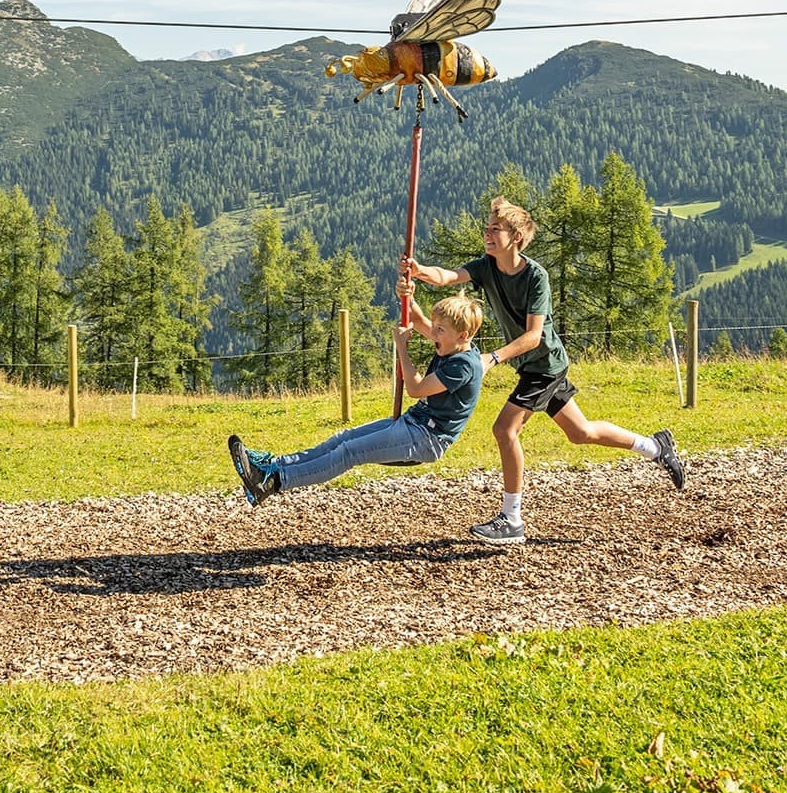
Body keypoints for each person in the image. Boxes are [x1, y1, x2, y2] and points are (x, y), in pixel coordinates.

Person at [401, 195, 686, 545]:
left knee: (504, 430)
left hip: (543, 366)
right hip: (533, 369)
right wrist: (418, 271)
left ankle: (512, 519)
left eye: (496, 230)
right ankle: (656, 447)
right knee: (580, 432)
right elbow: (446, 277)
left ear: (516, 237)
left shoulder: (536, 277)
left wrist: (493, 358)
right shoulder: (486, 266)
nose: (488, 234)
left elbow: (534, 337)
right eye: (487, 228)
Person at [228, 291, 485, 506]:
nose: (434, 334)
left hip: (427, 439)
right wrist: (408, 294)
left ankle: (273, 482)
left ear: (463, 335)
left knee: (349, 452)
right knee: (343, 438)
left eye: (439, 330)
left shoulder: (463, 365)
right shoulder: (451, 341)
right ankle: (273, 464)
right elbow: (419, 322)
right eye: (436, 327)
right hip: (414, 423)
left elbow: (416, 389)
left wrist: (402, 349)